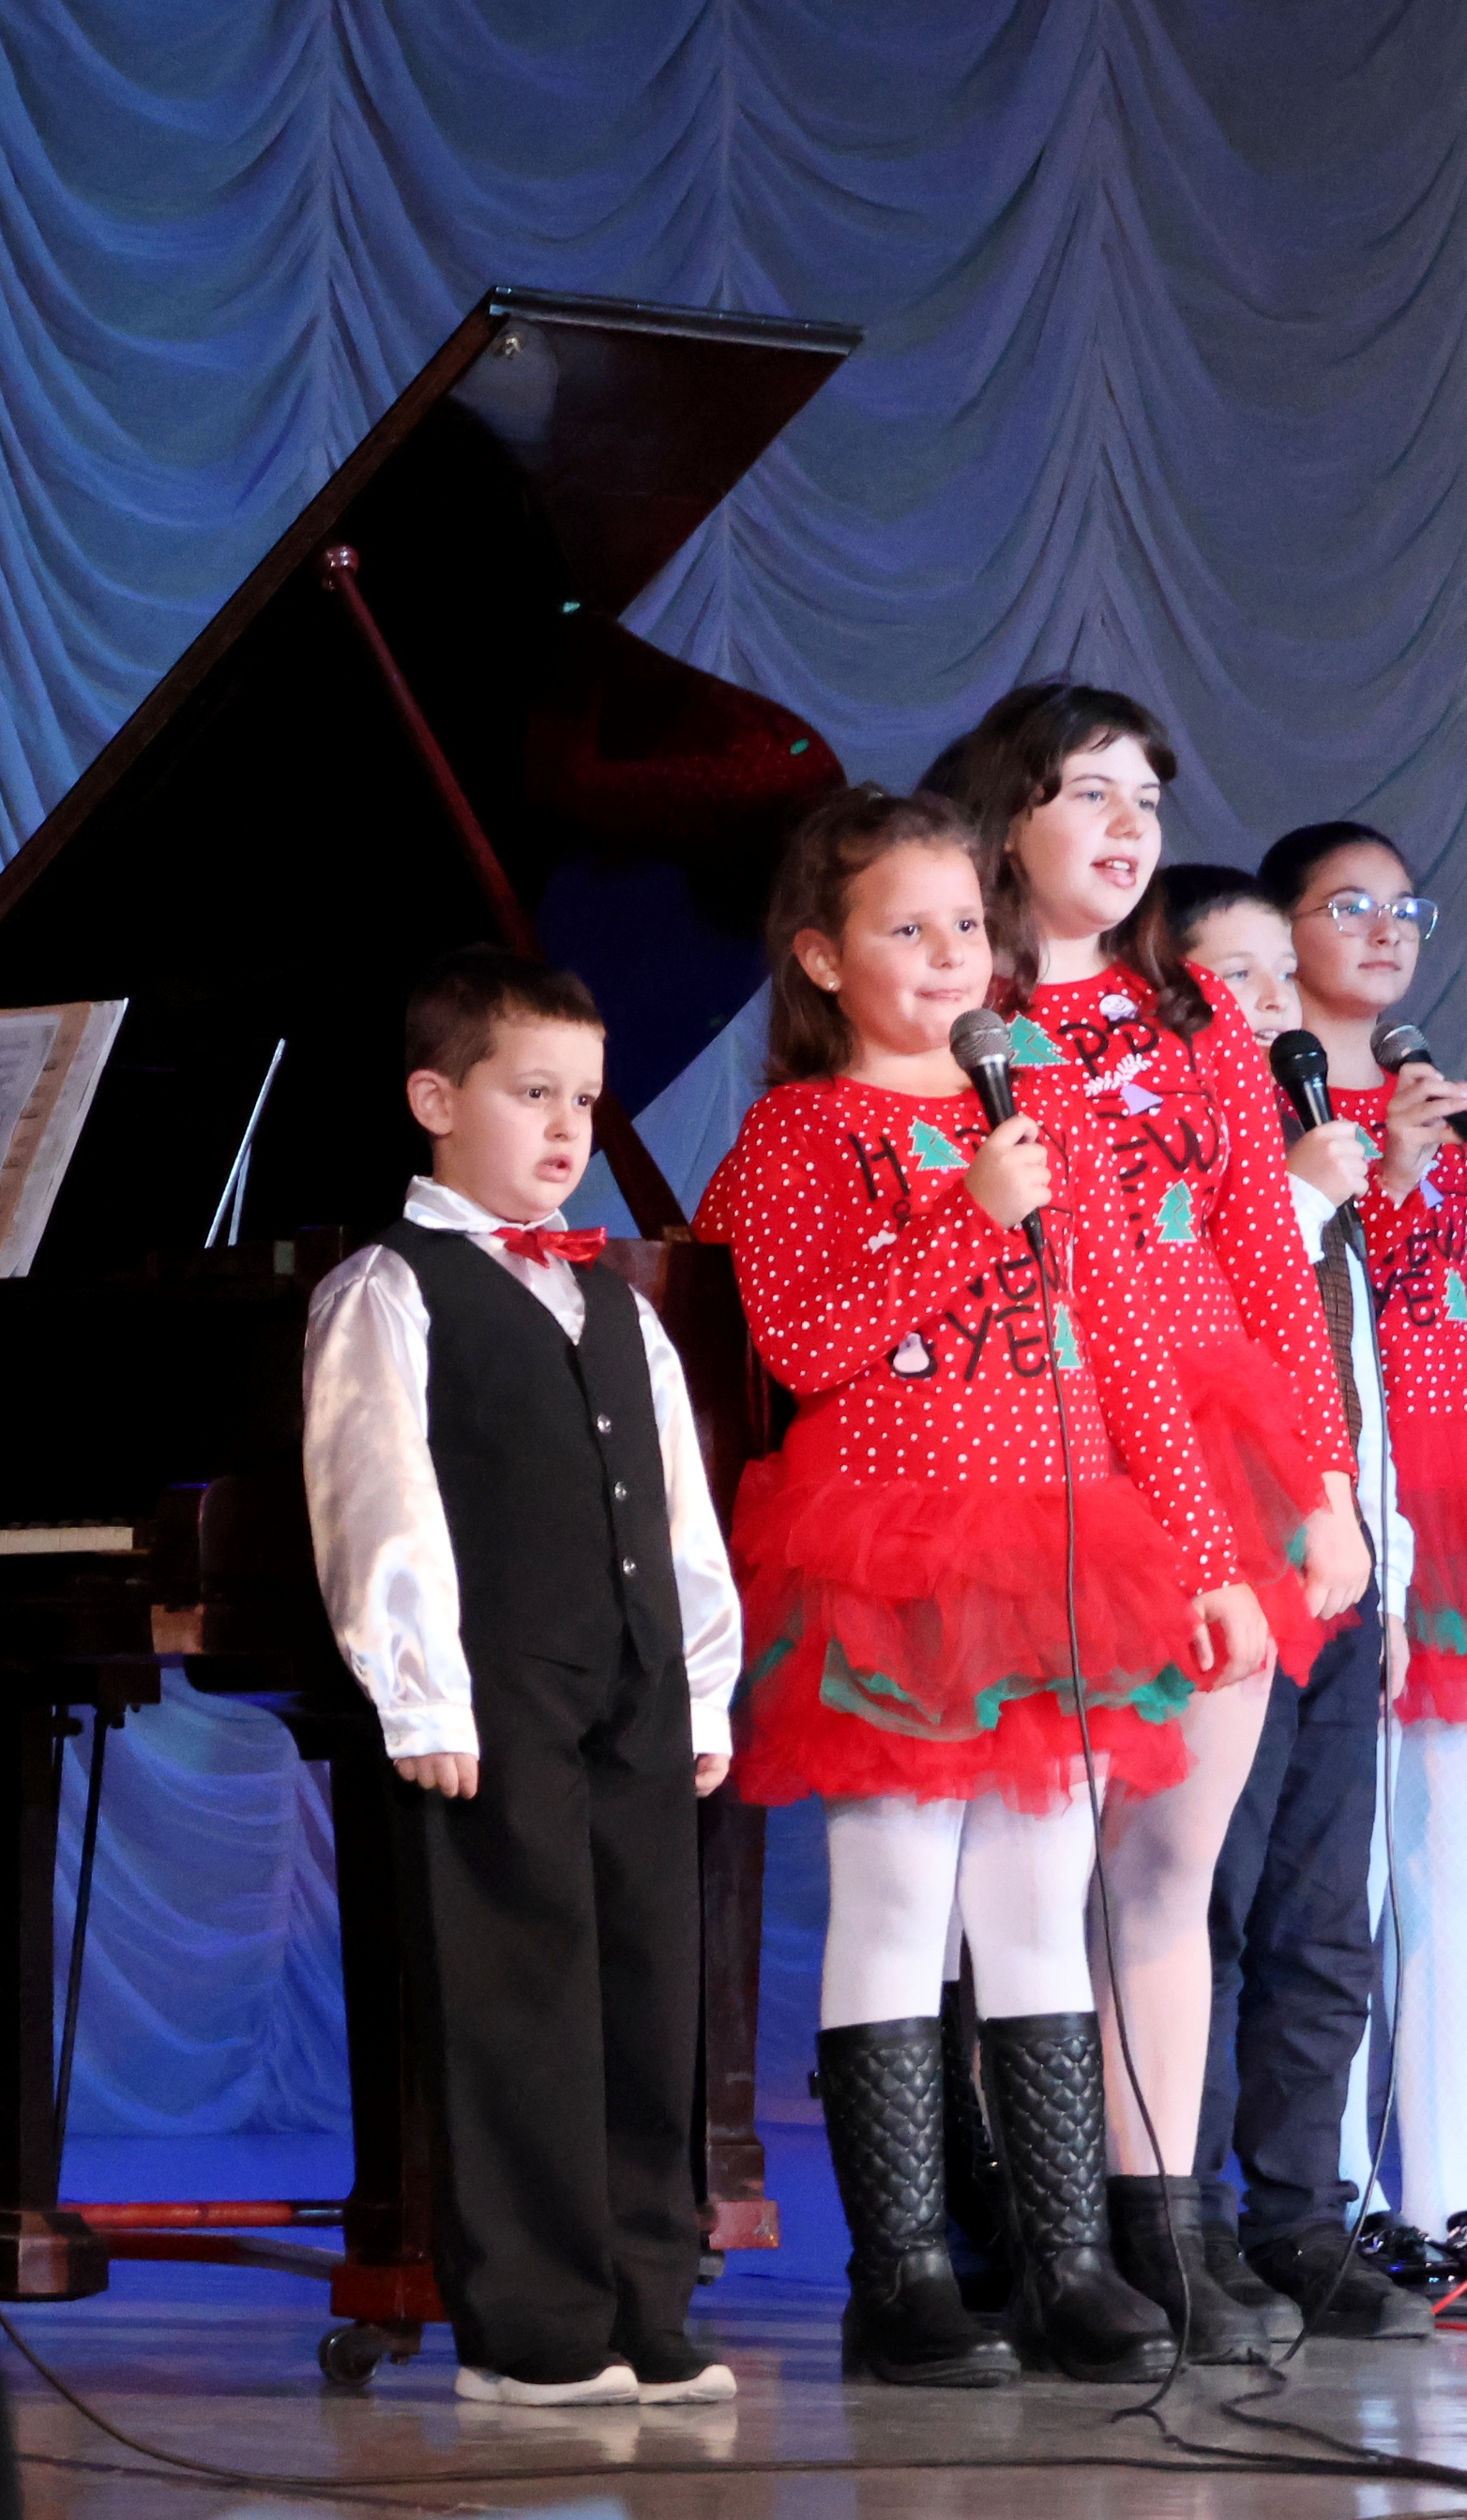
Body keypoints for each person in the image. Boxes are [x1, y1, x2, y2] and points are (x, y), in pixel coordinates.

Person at [697, 785, 1237, 2388]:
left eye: (965, 926)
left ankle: (1066, 2264)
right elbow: (801, 1345)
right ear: (822, 958)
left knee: (1037, 1897)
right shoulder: (796, 1135)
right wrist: (964, 1217)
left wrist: (1207, 1560)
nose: (948, 955)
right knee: (896, 1898)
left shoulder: (1045, 1114)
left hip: (1060, 1545)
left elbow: (1131, 1350)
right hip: (893, 1558)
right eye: (906, 928)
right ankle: (904, 2278)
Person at [919, 687, 1346, 2363]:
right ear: (1004, 818)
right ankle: (1040, 2239)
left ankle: (1162, 2223)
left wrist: (1324, 1486)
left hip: (1222, 1452)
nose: (1128, 826)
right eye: (1087, 793)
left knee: (1173, 1867)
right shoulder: (965, 1016)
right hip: (1052, 1448)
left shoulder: (1197, 1017)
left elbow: (1268, 1261)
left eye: (1146, 798)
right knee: (1036, 1873)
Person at [299, 947, 744, 2409]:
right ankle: (532, 2330)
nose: (566, 1129)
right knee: (520, 1995)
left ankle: (644, 2303)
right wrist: (422, 1694)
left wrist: (701, 1684)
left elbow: (679, 1509)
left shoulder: (612, 1297)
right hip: (493, 1697)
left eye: (585, 1101)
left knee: (646, 1992)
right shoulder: (391, 1285)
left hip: (633, 1689)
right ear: (436, 1101)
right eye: (532, 1093)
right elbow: (375, 1500)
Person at [1261, 820, 1467, 2320]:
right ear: (1284, 931)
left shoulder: (1429, 1104)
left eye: (1405, 907)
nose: (1388, 930)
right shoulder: (1271, 1106)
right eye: (1350, 905)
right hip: (1351, 1498)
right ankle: (1334, 2205)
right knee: (1345, 1874)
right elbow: (1310, 1309)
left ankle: (1444, 2203)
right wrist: (1379, 1171)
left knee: (1445, 1863)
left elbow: (1460, 1311)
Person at [1160, 864, 1437, 2339]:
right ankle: (1184, 2221)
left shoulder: (1313, 1181)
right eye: (1241, 981)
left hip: (1340, 1586)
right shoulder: (1189, 1179)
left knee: (1326, 1920)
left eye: (1284, 978)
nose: (1278, 1009)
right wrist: (1301, 1193)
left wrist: (1388, 1573)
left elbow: (1356, 1405)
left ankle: (1303, 2219)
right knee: (1205, 1907)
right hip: (1227, 1586)